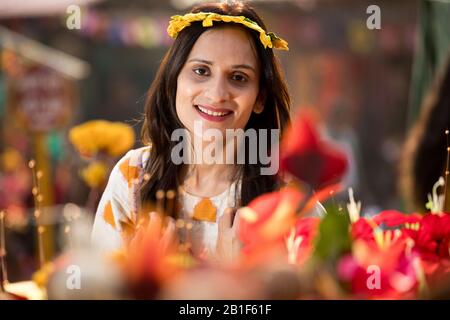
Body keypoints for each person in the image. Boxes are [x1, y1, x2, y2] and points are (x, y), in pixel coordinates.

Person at [91, 1, 291, 260]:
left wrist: (240, 277)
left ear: (260, 98)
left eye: (239, 77)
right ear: (174, 80)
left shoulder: (286, 200)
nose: (217, 94)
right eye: (201, 71)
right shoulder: (132, 179)